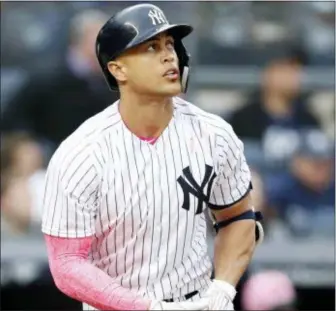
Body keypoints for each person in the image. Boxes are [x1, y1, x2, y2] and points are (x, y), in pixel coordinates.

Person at [41, 4, 263, 311]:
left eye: (170, 44)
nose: (169, 55)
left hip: (198, 302)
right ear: (117, 69)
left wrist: (222, 288)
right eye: (151, 48)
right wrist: (145, 307)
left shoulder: (214, 135)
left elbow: (238, 217)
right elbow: (66, 265)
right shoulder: (81, 153)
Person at [1, 9, 118, 153]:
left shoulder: (112, 84)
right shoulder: (46, 78)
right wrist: (30, 146)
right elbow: (12, 120)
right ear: (79, 40)